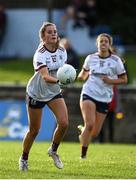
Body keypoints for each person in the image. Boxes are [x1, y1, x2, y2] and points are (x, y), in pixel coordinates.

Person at [19, 22, 69, 171]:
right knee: (34, 130)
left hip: (53, 92)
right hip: (36, 93)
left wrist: (63, 81)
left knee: (64, 123)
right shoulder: (40, 54)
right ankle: (24, 158)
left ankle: (53, 150)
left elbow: (62, 71)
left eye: (54, 31)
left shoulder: (62, 50)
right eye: (49, 32)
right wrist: (61, 81)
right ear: (43, 36)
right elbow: (46, 76)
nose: (53, 34)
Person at [77, 33, 128, 159]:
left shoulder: (116, 61)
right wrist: (79, 77)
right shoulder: (90, 58)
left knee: (94, 133)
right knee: (89, 124)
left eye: (106, 41)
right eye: (101, 41)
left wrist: (110, 81)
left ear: (109, 44)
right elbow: (83, 74)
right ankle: (83, 156)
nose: (103, 43)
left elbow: (124, 79)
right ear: (97, 44)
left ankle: (84, 132)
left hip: (104, 98)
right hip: (89, 92)